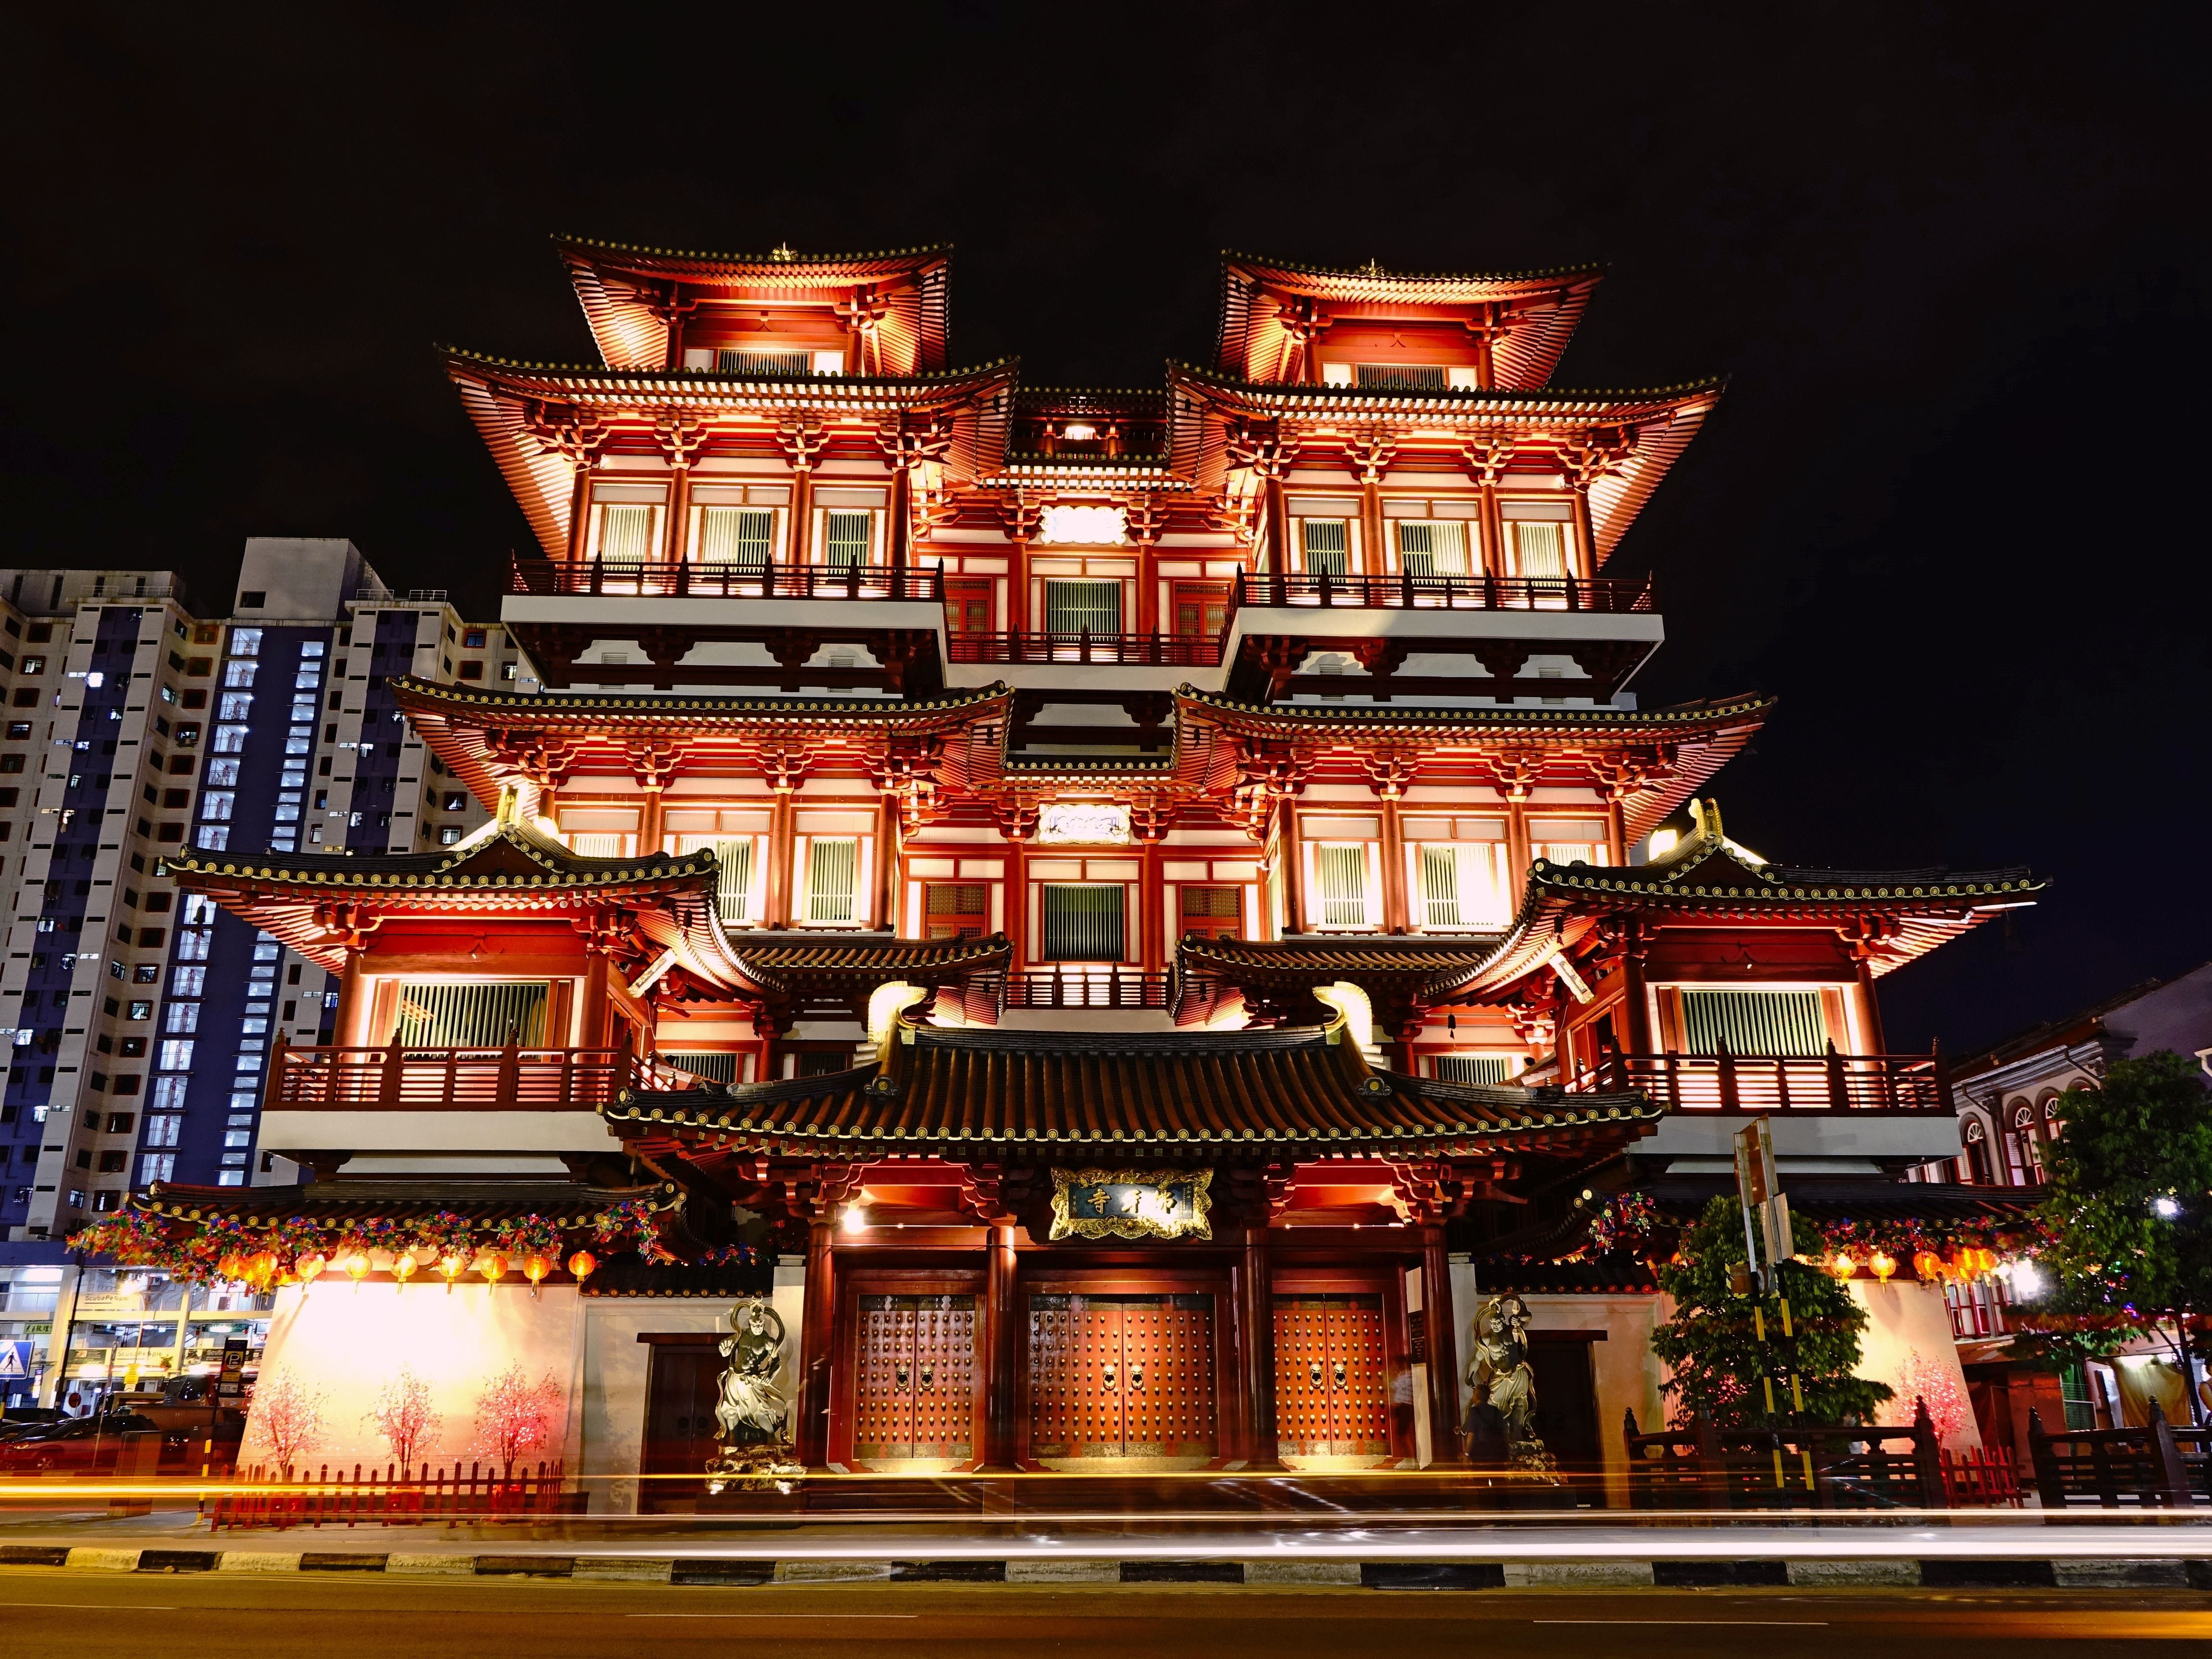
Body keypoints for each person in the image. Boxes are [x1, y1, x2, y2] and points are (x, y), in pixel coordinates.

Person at [1463, 1378, 1509, 1469]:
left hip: (1481, 1452)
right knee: (1498, 1479)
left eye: (1474, 1394)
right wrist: (1508, 1452)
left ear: (1477, 1395)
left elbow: (1471, 1434)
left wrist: (1467, 1454)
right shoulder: (1497, 1411)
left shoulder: (1474, 1411)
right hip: (1498, 1451)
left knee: (1481, 1481)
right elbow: (1504, 1433)